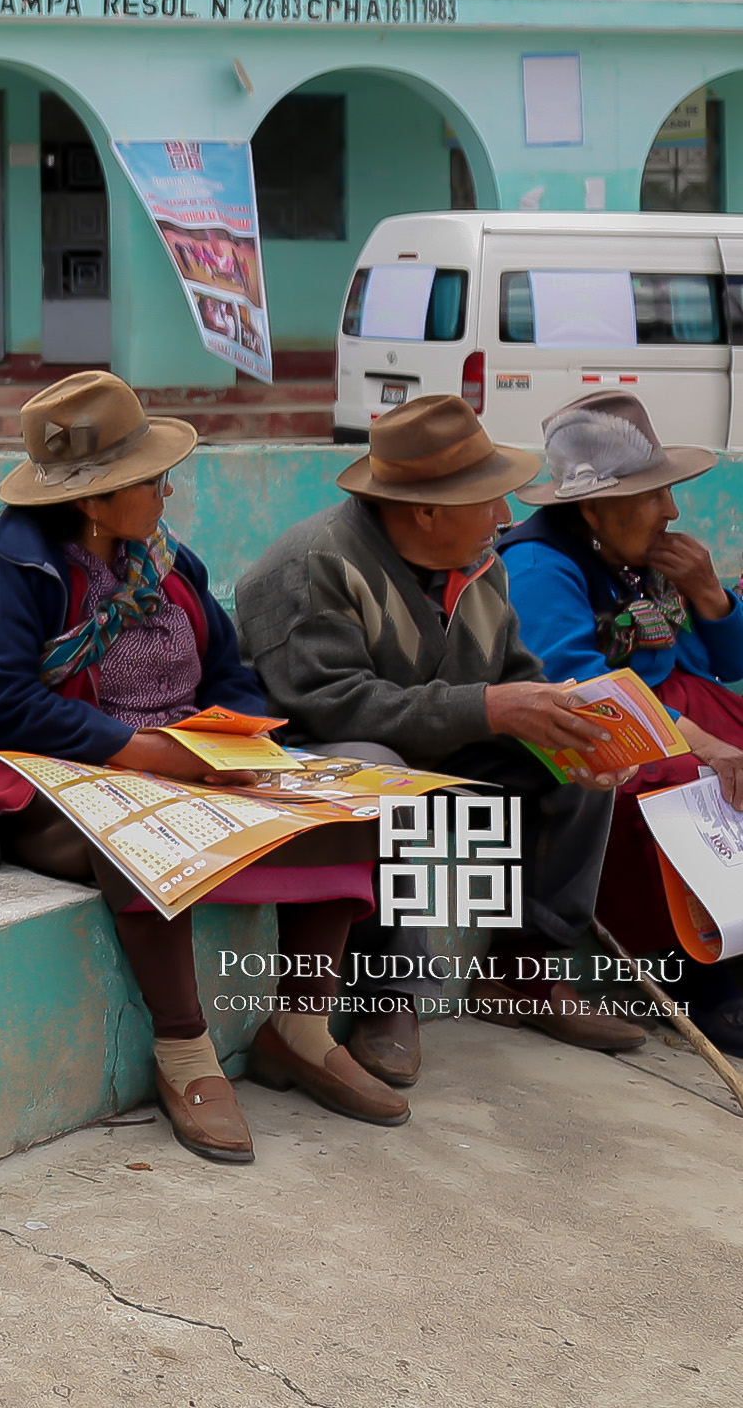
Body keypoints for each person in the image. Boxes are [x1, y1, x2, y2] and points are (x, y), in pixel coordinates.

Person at [0, 371, 397, 1164]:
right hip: (59, 779)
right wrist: (142, 751)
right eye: (152, 481)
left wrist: (238, 743)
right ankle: (184, 1053)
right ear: (94, 500)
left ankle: (301, 1028)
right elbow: (1, 703)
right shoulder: (8, 575)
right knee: (138, 824)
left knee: (354, 795)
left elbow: (228, 672)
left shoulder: (167, 563)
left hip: (186, 761)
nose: (167, 493)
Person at [236, 393, 638, 1086]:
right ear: (427, 512)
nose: (505, 517)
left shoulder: (483, 565)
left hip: (440, 756)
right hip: (325, 763)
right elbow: (334, 708)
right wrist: (486, 707)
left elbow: (516, 680)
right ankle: (389, 995)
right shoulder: (309, 565)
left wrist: (576, 730)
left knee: (572, 758)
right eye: (488, 502)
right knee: (377, 769)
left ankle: (524, 972)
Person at [496, 390, 743, 1050]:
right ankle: (701, 972)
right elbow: (584, 693)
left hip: (676, 709)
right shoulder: (539, 565)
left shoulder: (643, 564)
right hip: (610, 729)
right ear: (594, 508)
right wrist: (701, 745)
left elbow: (722, 663)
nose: (672, 510)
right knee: (676, 790)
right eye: (653, 495)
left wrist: (709, 593)